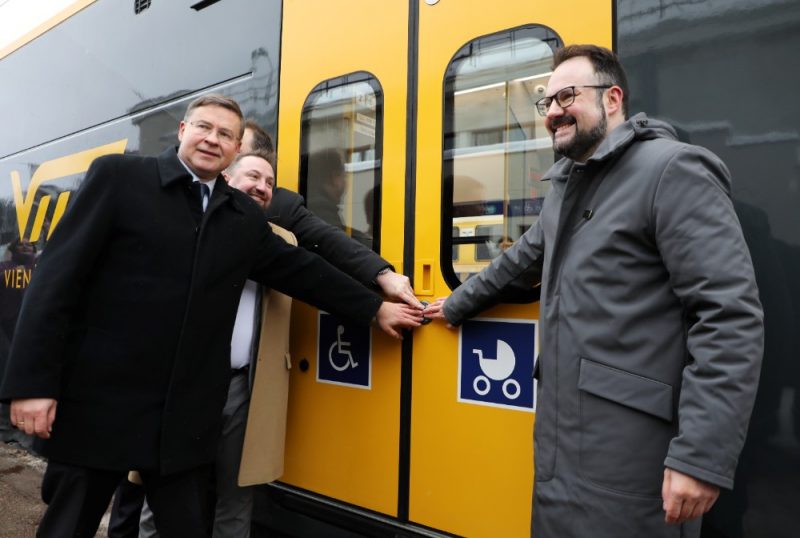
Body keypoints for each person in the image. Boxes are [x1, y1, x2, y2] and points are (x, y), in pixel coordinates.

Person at [0, 94, 422, 538]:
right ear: (183, 131)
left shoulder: (241, 216)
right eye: (203, 127)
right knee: (68, 526)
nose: (212, 139)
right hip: (101, 406)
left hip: (181, 422)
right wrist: (32, 385)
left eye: (225, 134)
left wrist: (375, 307)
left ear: (237, 149)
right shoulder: (120, 178)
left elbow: (302, 271)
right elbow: (55, 281)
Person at [423, 45, 764, 537]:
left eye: (568, 96)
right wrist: (454, 304)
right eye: (547, 102)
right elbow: (520, 261)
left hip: (629, 453)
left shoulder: (671, 169)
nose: (553, 111)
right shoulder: (567, 186)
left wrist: (700, 457)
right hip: (562, 445)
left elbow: (728, 316)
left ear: (612, 99)